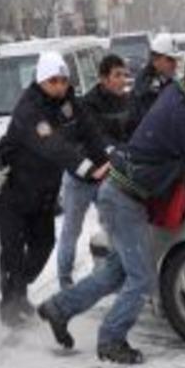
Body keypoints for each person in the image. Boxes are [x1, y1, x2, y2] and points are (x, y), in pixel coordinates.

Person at [37, 51, 185, 364]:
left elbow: (179, 142)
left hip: (122, 194)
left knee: (116, 272)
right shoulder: (182, 111)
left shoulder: (179, 101)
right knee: (142, 279)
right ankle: (111, 340)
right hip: (124, 199)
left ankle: (59, 309)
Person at [0, 51, 110, 327]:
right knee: (12, 250)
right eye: (53, 81)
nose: (60, 86)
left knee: (43, 245)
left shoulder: (69, 102)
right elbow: (53, 146)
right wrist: (87, 169)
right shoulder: (28, 109)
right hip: (14, 189)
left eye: (63, 80)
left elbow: (90, 132)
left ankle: (18, 288)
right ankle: (9, 305)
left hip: (43, 190)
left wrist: (107, 154)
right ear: (42, 80)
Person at [56, 54, 132, 290]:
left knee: (114, 226)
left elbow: (129, 133)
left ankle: (111, 274)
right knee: (72, 230)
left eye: (124, 74)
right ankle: (65, 280)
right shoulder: (87, 104)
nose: (122, 80)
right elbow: (98, 138)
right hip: (81, 177)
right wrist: (115, 151)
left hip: (108, 175)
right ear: (103, 79)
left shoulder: (126, 101)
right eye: (117, 75)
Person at [131, 33, 181, 127]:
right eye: (170, 60)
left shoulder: (170, 82)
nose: (174, 64)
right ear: (155, 59)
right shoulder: (145, 87)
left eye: (175, 60)